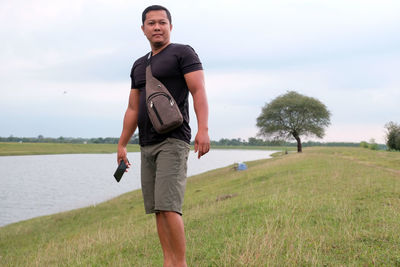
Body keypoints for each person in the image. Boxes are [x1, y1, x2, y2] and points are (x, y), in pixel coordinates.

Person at [117, 5, 210, 267]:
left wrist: (203, 129)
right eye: (151, 23)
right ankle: (168, 262)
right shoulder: (139, 65)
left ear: (170, 26)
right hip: (147, 144)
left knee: (170, 206)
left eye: (162, 22)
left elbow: (198, 91)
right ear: (143, 29)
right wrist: (122, 143)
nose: (157, 27)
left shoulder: (182, 52)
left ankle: (179, 263)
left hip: (173, 140)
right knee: (158, 208)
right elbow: (133, 107)